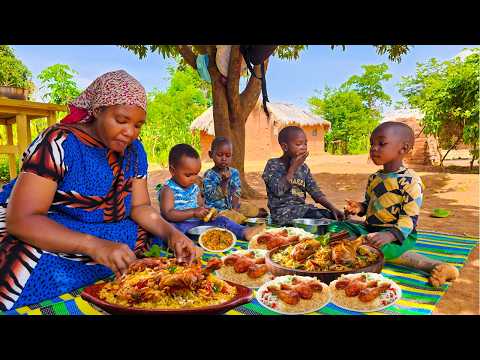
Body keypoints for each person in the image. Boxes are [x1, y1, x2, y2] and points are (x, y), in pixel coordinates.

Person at [0, 70, 200, 311]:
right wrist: (93, 245)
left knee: (153, 236)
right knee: (20, 255)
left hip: (103, 230)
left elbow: (140, 207)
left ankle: (113, 263)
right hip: (50, 224)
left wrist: (172, 234)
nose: (130, 132)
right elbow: (22, 219)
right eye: (121, 120)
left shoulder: (135, 151)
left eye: (138, 125)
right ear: (97, 111)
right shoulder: (60, 143)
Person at [335, 121, 459, 288]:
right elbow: (370, 205)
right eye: (372, 144)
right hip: (371, 229)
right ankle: (359, 245)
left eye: (381, 143)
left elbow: (410, 218)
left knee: (369, 247)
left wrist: (390, 236)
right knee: (337, 228)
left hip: (398, 234)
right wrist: (359, 207)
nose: (373, 148)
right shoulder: (374, 178)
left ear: (403, 148)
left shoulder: (411, 181)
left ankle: (436, 266)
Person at [159, 144, 265, 239]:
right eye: (188, 175)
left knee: (222, 220)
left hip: (197, 224)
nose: (193, 178)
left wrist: (207, 212)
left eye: (196, 174)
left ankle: (244, 231)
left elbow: (201, 206)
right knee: (169, 230)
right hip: (179, 225)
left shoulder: (194, 187)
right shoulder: (168, 190)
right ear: (173, 170)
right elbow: (168, 214)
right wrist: (193, 212)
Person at [262, 126, 345, 226]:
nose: (304, 147)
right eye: (298, 144)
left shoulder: (304, 168)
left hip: (303, 211)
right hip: (282, 215)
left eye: (305, 143)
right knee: (322, 218)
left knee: (334, 216)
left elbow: (316, 193)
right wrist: (293, 167)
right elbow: (278, 190)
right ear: (285, 147)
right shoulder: (273, 165)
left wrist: (333, 208)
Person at [202, 137, 268, 223]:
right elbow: (210, 197)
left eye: (228, 155)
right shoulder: (209, 175)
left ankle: (254, 214)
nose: (224, 159)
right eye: (219, 155)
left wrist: (235, 207)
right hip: (217, 210)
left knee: (249, 208)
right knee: (228, 217)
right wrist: (223, 184)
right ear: (211, 154)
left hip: (233, 206)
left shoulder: (234, 172)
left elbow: (237, 190)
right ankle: (244, 221)